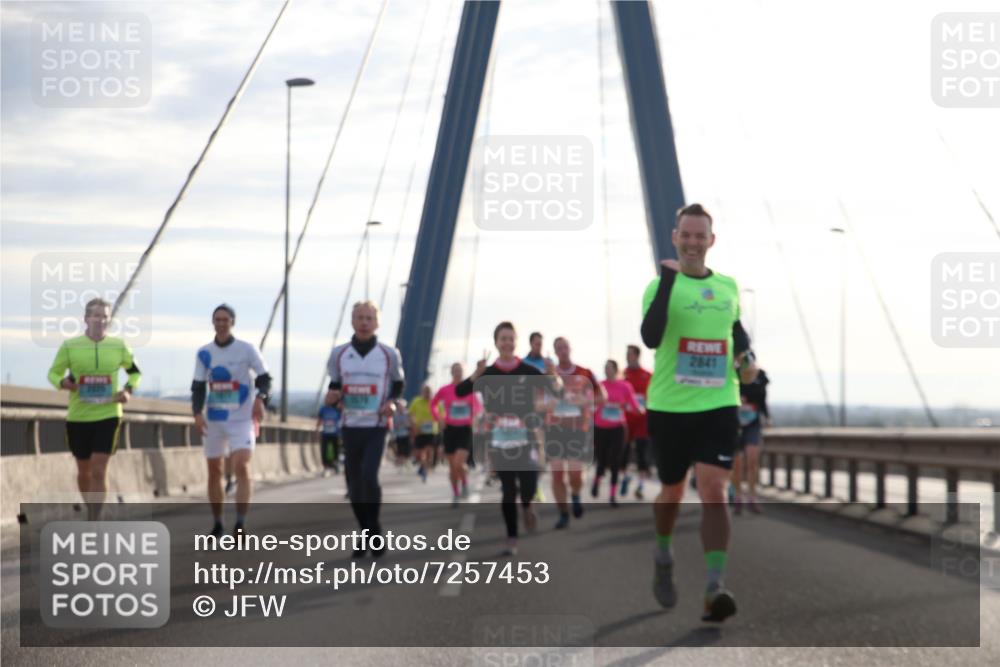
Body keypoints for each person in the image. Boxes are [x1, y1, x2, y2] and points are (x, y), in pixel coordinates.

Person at [640, 203, 758, 623]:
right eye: (685, 235)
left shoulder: (728, 287)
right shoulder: (659, 287)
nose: (692, 242)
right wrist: (670, 280)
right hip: (670, 407)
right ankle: (663, 550)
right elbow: (651, 337)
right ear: (675, 238)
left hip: (718, 404)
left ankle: (714, 586)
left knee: (713, 489)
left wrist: (747, 360)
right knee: (672, 491)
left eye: (699, 235)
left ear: (711, 240)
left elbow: (737, 333)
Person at [456, 321, 560, 556]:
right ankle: (511, 537)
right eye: (503, 338)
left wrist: (553, 374)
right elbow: (460, 392)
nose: (507, 342)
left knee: (529, 484)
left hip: (527, 437)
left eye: (511, 338)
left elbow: (557, 390)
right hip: (499, 440)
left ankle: (527, 504)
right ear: (496, 342)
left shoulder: (527, 370)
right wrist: (476, 373)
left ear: (516, 342)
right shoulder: (489, 373)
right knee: (507, 491)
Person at [47, 298, 142, 520]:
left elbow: (135, 372)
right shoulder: (70, 346)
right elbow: (53, 373)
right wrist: (64, 383)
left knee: (99, 470)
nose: (101, 320)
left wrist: (128, 390)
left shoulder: (119, 346)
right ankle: (90, 507)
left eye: (105, 316)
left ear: (110, 320)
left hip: (108, 415)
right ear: (86, 319)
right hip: (79, 416)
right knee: (84, 471)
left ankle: (94, 519)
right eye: (96, 315)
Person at [325, 300, 404, 559]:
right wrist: (332, 397)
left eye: (369, 318)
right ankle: (367, 531)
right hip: (350, 424)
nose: (364, 322)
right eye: (360, 317)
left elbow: (398, 384)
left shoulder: (388, 354)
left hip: (377, 425)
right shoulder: (339, 353)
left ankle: (374, 530)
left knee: (369, 476)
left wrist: (392, 402)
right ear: (352, 321)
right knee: (354, 484)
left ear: (377, 322)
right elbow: (335, 385)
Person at [191, 304, 270, 537]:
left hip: (242, 418)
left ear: (232, 322)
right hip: (214, 418)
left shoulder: (247, 349)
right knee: (214, 471)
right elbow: (197, 386)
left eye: (226, 319)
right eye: (217, 319)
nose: (221, 323)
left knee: (241, 467)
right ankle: (217, 523)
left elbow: (265, 378)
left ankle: (240, 523)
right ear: (213, 322)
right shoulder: (204, 352)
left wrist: (261, 398)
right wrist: (197, 413)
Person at [547, 336, 604, 529]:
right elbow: (534, 402)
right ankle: (563, 513)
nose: (562, 350)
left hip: (578, 430)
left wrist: (585, 402)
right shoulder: (548, 375)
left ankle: (576, 495)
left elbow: (602, 396)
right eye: (558, 348)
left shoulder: (584, 372)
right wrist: (550, 403)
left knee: (575, 475)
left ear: (570, 348)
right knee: (556, 475)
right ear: (555, 352)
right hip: (554, 430)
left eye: (565, 347)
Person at [432, 363, 482, 507]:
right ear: (452, 373)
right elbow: (433, 404)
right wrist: (439, 418)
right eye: (456, 371)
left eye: (460, 371)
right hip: (450, 430)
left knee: (458, 463)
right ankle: (455, 493)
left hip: (465, 429)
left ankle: (464, 483)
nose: (458, 373)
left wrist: (474, 418)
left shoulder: (469, 389)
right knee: (452, 467)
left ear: (463, 372)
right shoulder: (444, 390)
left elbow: (478, 408)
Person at [594, 359, 643, 507]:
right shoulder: (600, 385)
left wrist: (640, 411)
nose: (606, 370)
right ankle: (597, 479)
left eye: (609, 368)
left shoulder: (625, 386)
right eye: (605, 368)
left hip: (618, 428)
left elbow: (634, 404)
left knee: (616, 460)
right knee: (602, 459)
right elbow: (591, 402)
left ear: (615, 370)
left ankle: (612, 495)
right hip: (601, 426)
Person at [732, 368, 770, 514]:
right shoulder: (732, 373)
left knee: (752, 461)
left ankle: (752, 497)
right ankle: (737, 495)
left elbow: (763, 401)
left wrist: (767, 417)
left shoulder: (760, 377)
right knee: (737, 464)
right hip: (735, 424)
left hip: (753, 423)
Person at [621, 345, 653, 500]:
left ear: (637, 356)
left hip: (642, 419)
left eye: (630, 354)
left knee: (642, 452)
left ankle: (640, 485)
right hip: (626, 419)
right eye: (626, 354)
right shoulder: (622, 375)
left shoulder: (648, 375)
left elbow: (653, 396)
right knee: (623, 451)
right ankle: (626, 476)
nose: (627, 357)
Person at [408, 384, 437, 482]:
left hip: (431, 431)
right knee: (419, 453)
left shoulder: (435, 402)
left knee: (429, 451)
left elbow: (442, 415)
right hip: (419, 430)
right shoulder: (416, 401)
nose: (427, 393)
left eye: (429, 391)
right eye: (425, 391)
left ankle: (425, 470)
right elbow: (410, 415)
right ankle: (422, 465)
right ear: (422, 392)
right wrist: (413, 425)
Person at [316, 402, 342, 475]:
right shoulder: (323, 409)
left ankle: (335, 464)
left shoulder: (338, 409)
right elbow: (320, 419)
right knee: (324, 450)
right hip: (326, 433)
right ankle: (326, 466)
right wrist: (317, 429)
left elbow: (342, 420)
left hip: (336, 433)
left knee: (336, 449)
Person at [391, 398, 412, 468]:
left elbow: (409, 424)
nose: (400, 407)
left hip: (406, 434)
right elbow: (393, 425)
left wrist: (407, 424)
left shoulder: (407, 414)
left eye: (401, 406)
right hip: (397, 434)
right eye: (399, 406)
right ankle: (400, 462)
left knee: (406, 449)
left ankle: (403, 461)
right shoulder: (394, 414)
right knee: (399, 449)